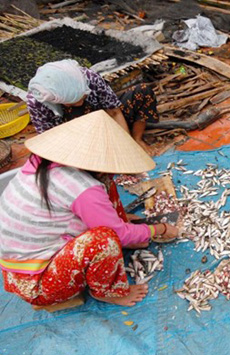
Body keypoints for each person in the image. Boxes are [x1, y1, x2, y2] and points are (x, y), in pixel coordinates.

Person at [0, 110, 179, 307]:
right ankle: (109, 292)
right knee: (104, 239)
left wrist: (122, 223)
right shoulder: (82, 188)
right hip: (37, 283)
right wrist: (158, 229)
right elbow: (116, 235)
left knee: (106, 188)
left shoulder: (42, 163)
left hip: (19, 265)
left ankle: (123, 228)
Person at [26, 59, 159, 153]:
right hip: (76, 137)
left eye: (83, 97)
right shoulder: (38, 101)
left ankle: (137, 139)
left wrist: (127, 145)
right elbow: (51, 140)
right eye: (72, 102)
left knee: (142, 91)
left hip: (104, 120)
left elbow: (114, 112)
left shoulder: (88, 77)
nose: (80, 103)